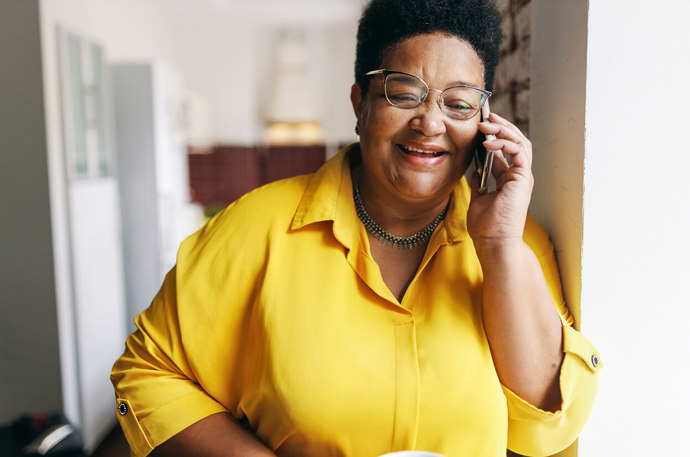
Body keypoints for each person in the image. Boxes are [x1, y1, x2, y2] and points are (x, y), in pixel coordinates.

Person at [111, 0, 601, 455]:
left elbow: (546, 427)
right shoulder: (254, 227)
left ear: (485, 123)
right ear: (359, 103)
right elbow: (149, 372)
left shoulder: (517, 245)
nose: (430, 123)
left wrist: (497, 248)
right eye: (404, 93)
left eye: (459, 104)